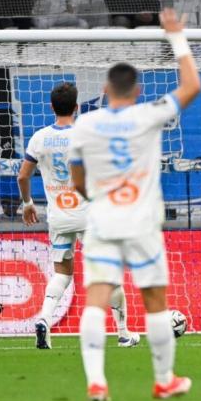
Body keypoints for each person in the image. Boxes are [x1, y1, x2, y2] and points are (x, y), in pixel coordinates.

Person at [69, 8, 201, 401]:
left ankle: (96, 380)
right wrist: (175, 35)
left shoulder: (85, 125)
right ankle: (164, 380)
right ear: (138, 90)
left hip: (103, 220)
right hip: (142, 222)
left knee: (97, 297)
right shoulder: (149, 115)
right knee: (154, 301)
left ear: (106, 90)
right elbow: (192, 85)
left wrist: (93, 195)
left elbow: (77, 178)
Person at [17, 82, 139, 350]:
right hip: (89, 216)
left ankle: (44, 320)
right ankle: (123, 333)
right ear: (76, 107)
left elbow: (23, 175)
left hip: (59, 216)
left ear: (50, 106)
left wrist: (27, 203)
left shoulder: (39, 138)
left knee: (62, 274)